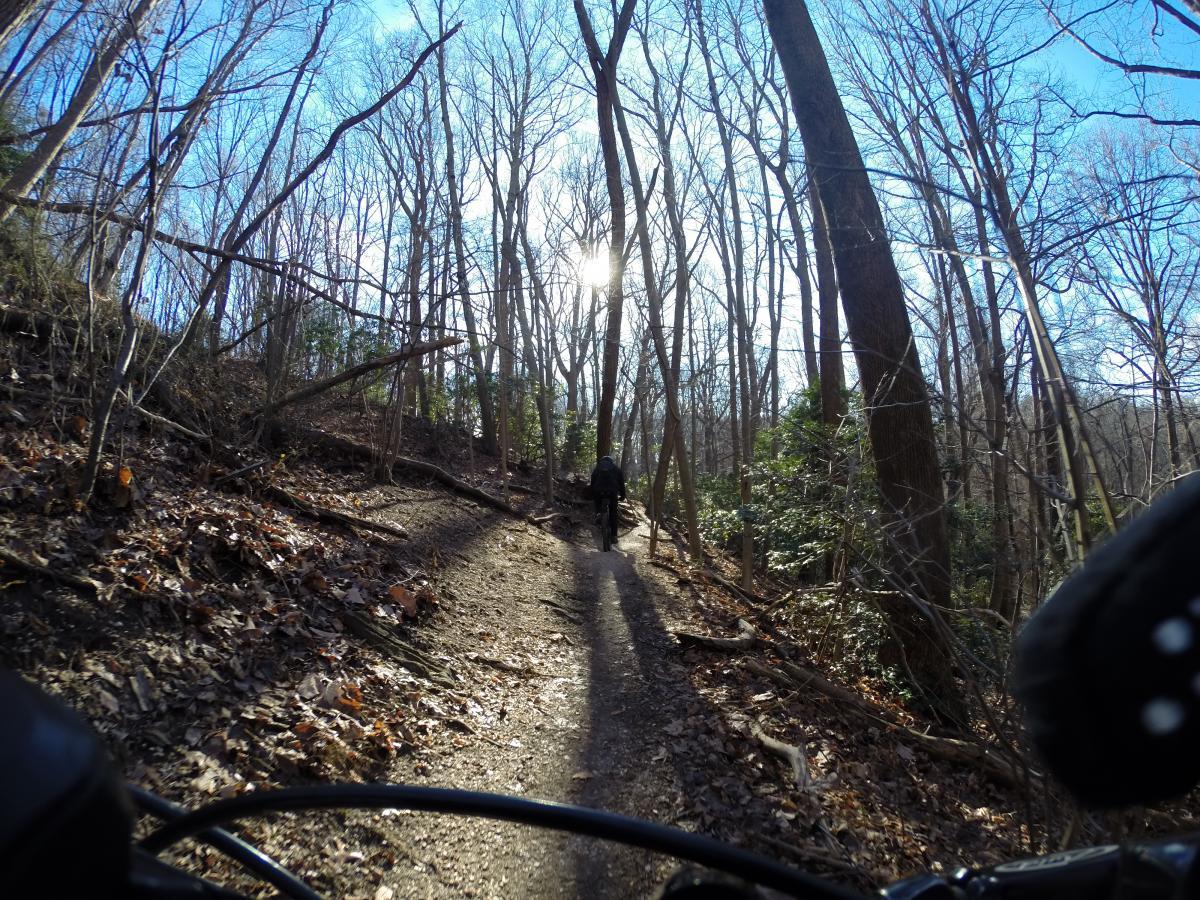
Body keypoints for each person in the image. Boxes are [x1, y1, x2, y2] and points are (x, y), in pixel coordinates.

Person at [589, 455, 625, 545]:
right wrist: (622, 495)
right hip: (612, 493)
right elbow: (621, 483)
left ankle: (598, 514)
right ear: (611, 462)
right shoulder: (616, 469)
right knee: (613, 513)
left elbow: (592, 481)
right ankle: (614, 536)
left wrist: (592, 492)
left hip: (599, 491)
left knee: (597, 503)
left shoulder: (597, 468)